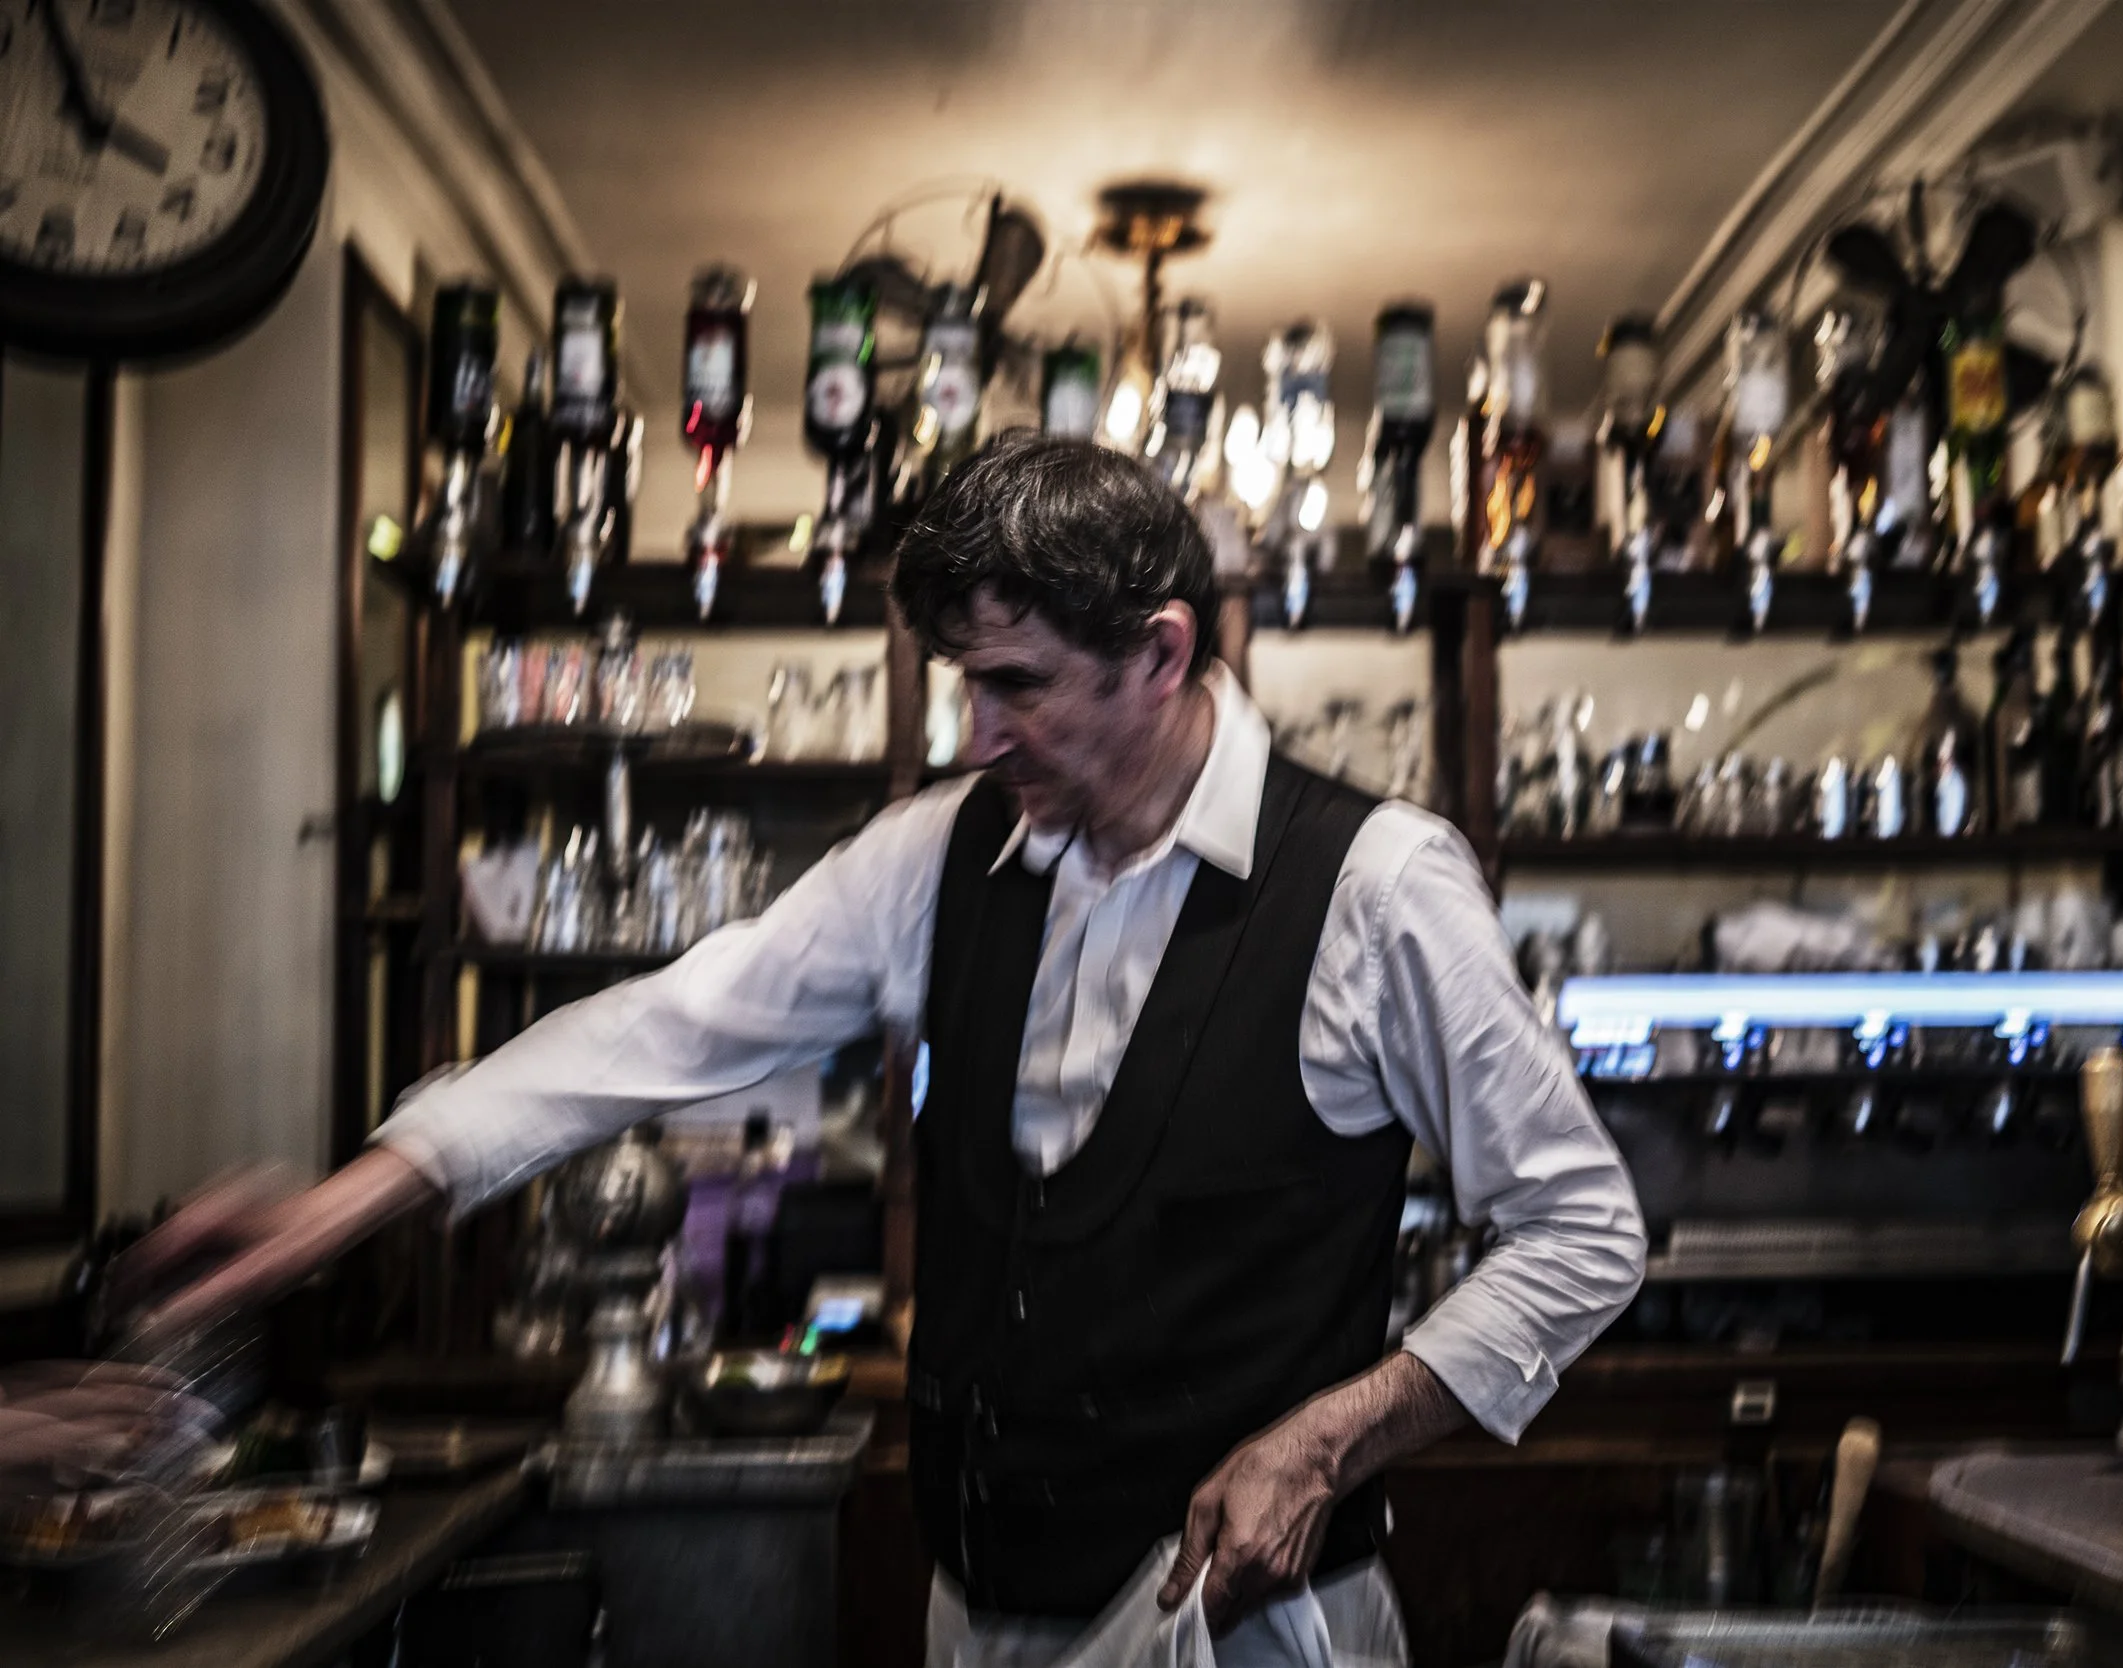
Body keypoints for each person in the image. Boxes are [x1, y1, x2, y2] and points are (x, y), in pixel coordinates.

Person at [134, 433, 1646, 1663]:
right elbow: (674, 1021)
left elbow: (1582, 1230)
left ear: (1162, 651)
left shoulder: (1376, 884)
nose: (975, 733)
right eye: (966, 681)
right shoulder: (940, 855)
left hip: (1252, 1631)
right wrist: (350, 1201)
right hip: (976, 1612)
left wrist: (1331, 1440)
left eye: (1017, 683)